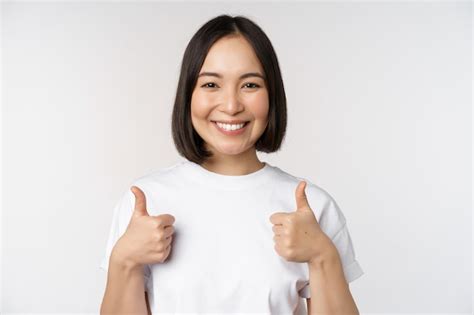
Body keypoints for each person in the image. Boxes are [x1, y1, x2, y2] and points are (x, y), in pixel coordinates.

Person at [100, 14, 364, 314]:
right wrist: (124, 261)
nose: (231, 105)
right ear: (188, 95)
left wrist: (322, 255)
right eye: (211, 84)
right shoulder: (145, 205)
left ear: (272, 95)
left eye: (250, 85)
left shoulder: (312, 207)